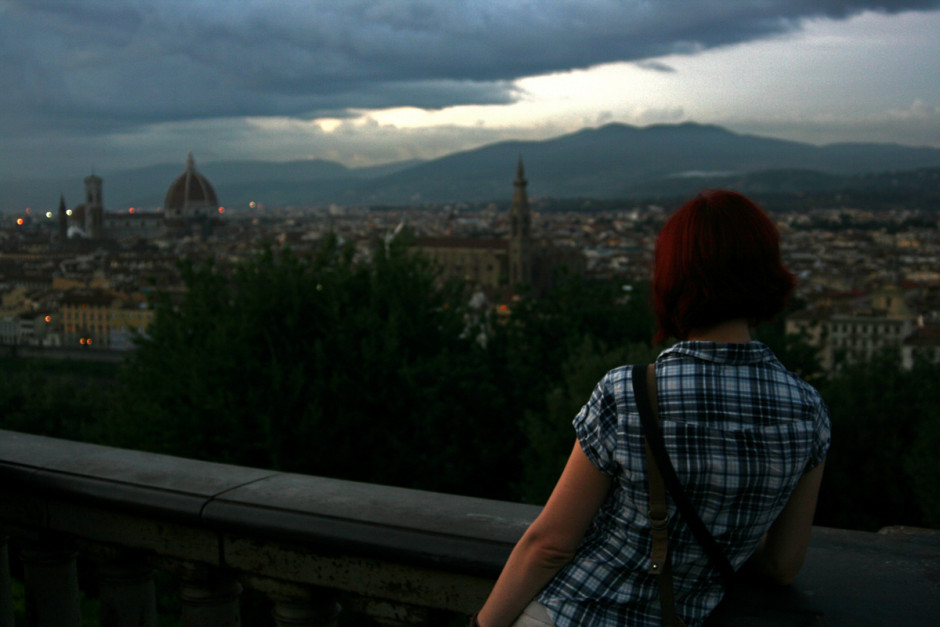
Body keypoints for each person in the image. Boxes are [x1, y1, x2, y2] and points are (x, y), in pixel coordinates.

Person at [472, 190, 831, 627]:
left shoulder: (629, 392)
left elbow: (550, 545)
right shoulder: (807, 411)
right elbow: (782, 566)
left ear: (672, 276)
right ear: (768, 275)